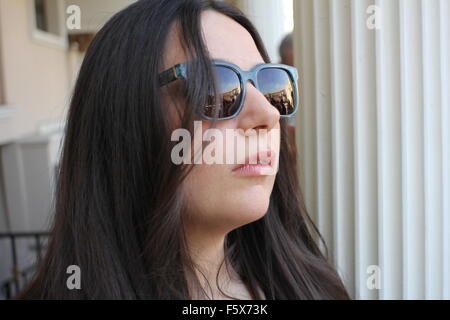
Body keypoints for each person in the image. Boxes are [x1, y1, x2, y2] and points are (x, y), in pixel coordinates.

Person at [18, 0, 349, 300]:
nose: (269, 114)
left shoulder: (311, 287)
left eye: (272, 87)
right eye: (214, 87)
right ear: (125, 120)